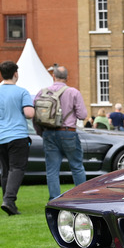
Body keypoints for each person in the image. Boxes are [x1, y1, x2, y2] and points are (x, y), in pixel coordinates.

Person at [34, 65, 88, 200]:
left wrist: (41, 133)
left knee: (52, 170)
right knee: (77, 167)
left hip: (49, 133)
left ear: (53, 76)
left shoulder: (42, 92)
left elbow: (36, 117)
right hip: (68, 132)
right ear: (67, 77)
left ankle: (54, 200)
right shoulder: (73, 92)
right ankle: (80, 198)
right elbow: (82, 115)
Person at [0, 61, 34, 215]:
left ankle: (9, 203)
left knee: (5, 170)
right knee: (17, 168)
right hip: (17, 135)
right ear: (16, 73)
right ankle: (9, 200)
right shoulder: (22, 92)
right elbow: (29, 113)